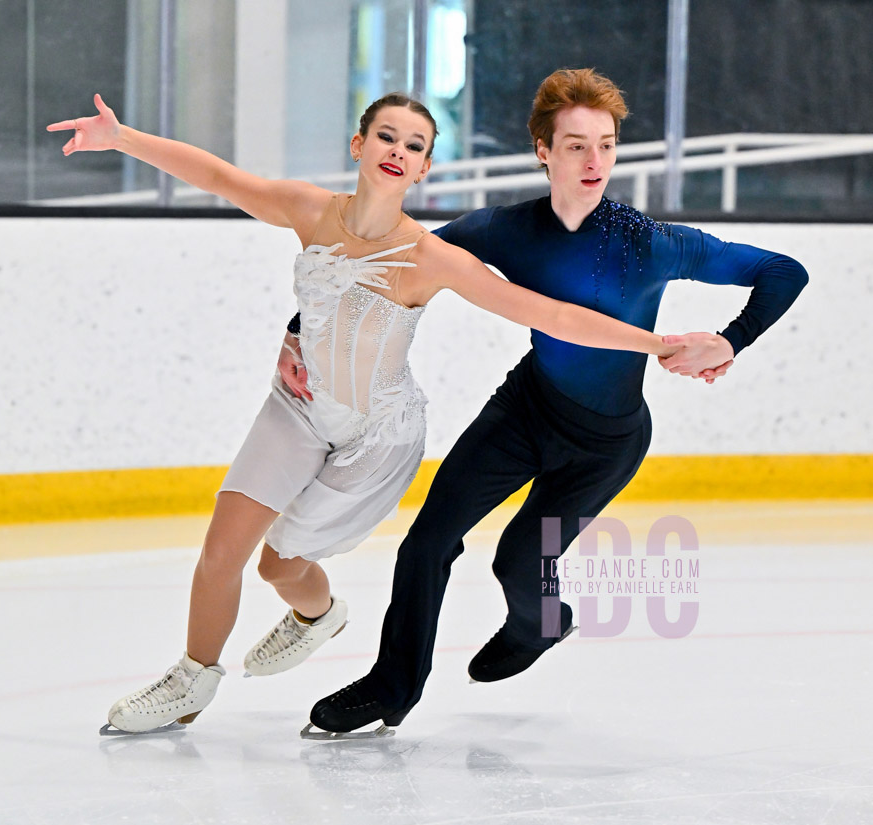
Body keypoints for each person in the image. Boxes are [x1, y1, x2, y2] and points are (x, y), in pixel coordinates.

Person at [47, 91, 689, 735]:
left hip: (376, 436)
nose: (397, 151)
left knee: (278, 565)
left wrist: (660, 344)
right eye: (386, 137)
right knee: (222, 549)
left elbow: (551, 315)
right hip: (298, 408)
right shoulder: (308, 210)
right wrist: (123, 139)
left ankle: (318, 615)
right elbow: (219, 177)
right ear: (359, 145)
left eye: (414, 146)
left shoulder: (431, 257)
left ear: (424, 169)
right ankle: (191, 681)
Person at [297, 68, 809, 735]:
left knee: (519, 559)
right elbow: (390, 258)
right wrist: (299, 327)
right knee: (427, 540)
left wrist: (730, 340)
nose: (594, 161)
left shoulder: (649, 243)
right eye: (576, 145)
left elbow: (784, 271)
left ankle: (542, 624)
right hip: (525, 410)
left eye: (606, 145)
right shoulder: (506, 230)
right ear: (543, 150)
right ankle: (392, 686)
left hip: (605, 444)